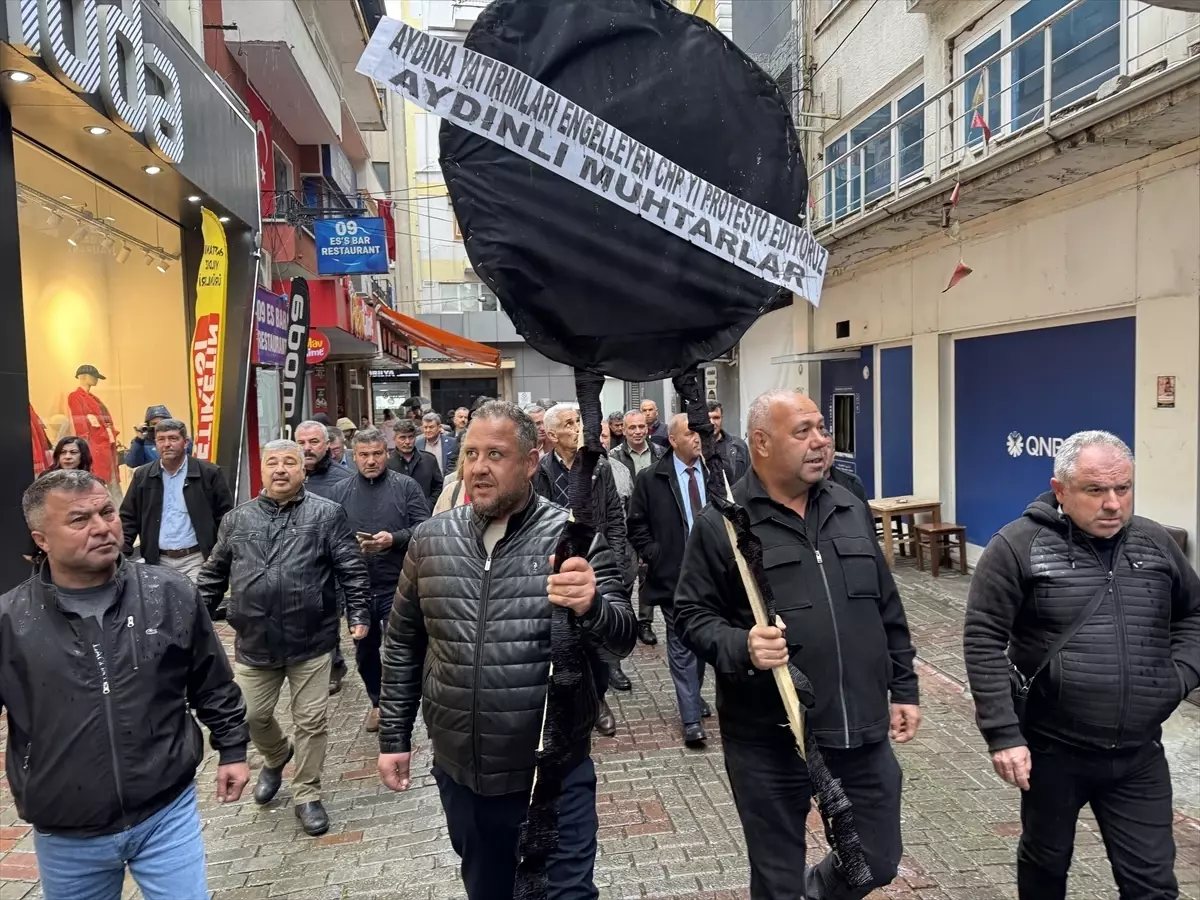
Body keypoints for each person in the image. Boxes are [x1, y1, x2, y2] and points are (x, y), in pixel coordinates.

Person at [376, 401, 636, 899]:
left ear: (531, 462)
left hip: (554, 775)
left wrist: (593, 605)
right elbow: (404, 645)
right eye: (470, 453)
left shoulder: (573, 540)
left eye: (496, 454)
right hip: (465, 776)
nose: (478, 467)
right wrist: (394, 735)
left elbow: (621, 639)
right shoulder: (431, 542)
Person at [674, 389, 919, 899]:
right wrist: (742, 644)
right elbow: (690, 616)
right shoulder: (724, 523)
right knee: (776, 878)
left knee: (875, 860)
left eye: (821, 430)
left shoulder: (849, 507)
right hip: (768, 737)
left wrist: (905, 687)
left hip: (858, 728)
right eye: (802, 431)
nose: (820, 442)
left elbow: (887, 608)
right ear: (761, 443)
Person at [963, 430, 1200, 900]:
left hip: (1138, 754)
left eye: (1123, 488)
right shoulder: (1016, 546)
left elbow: (1193, 615)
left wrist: (1175, 680)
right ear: (1060, 491)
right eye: (1095, 490)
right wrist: (1004, 735)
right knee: (1046, 866)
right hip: (1053, 751)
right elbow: (983, 638)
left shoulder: (1155, 542)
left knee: (1153, 883)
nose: (1113, 503)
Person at [5, 470, 249, 900]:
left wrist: (232, 748)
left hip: (165, 810)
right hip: (67, 831)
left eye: (107, 512)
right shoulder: (11, 622)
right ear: (41, 539)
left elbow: (210, 680)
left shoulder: (169, 593)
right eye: (80, 520)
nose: (102, 527)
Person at [197, 440, 371, 837]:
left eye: (289, 462)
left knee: (311, 720)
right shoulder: (237, 520)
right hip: (254, 641)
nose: (280, 469)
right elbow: (212, 574)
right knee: (250, 715)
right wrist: (195, 618)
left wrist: (358, 612)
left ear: (302, 470)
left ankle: (307, 793)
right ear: (262, 472)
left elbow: (351, 568)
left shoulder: (327, 515)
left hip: (311, 640)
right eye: (272, 463)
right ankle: (276, 755)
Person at [533, 402, 632, 733]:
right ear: (550, 434)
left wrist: (615, 562)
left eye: (578, 421)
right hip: (558, 566)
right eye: (569, 423)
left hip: (597, 563)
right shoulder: (542, 472)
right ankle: (563, 703)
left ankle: (598, 698)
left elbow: (615, 517)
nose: (577, 428)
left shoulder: (599, 466)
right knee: (563, 638)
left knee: (597, 638)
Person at [330, 428, 431, 733]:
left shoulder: (406, 487)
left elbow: (424, 527)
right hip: (358, 588)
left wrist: (394, 539)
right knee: (364, 651)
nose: (371, 461)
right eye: (364, 455)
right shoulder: (340, 491)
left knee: (402, 647)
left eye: (377, 454)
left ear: (386, 454)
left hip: (398, 582)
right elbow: (331, 537)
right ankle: (377, 702)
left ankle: (402, 705)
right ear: (354, 456)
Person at [628, 414, 712, 747]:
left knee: (703, 641)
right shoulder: (652, 479)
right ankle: (691, 719)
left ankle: (693, 697)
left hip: (712, 574)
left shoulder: (713, 472)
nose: (697, 438)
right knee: (680, 645)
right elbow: (636, 525)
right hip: (673, 574)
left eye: (698, 432)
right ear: (672, 440)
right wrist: (655, 553)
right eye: (689, 433)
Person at [119, 418, 233, 583]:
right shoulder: (143, 476)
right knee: (162, 608)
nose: (167, 444)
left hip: (197, 560)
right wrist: (121, 553)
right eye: (161, 439)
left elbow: (226, 519)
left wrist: (220, 558)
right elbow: (128, 518)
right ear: (155, 443)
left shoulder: (209, 473)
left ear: (185, 442)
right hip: (157, 562)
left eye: (173, 438)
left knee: (195, 606)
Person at [294, 420, 354, 694]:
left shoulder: (343, 480)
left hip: (330, 563)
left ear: (327, 444)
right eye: (302, 442)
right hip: (294, 562)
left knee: (327, 616)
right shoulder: (287, 476)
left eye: (313, 442)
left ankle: (332, 665)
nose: (307, 448)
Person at [610, 410, 666, 645]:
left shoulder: (660, 453)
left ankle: (645, 622)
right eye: (632, 427)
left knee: (647, 574)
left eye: (641, 426)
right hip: (624, 525)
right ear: (623, 429)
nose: (637, 431)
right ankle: (624, 620)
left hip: (652, 524)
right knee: (626, 575)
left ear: (648, 428)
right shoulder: (613, 457)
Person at [388, 418, 445, 507]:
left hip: (424, 513)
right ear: (394, 439)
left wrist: (428, 505)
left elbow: (438, 487)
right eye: (402, 438)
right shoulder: (387, 462)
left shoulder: (429, 460)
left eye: (410, 437)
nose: (407, 442)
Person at [123, 404, 190, 468]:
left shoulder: (181, 439)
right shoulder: (142, 442)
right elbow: (131, 463)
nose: (158, 427)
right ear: (148, 425)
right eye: (154, 424)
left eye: (162, 423)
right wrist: (139, 440)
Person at [708, 400, 750, 484]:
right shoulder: (695, 447)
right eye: (708, 418)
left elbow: (750, 478)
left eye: (716, 418)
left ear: (721, 418)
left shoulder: (739, 445)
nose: (712, 422)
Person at [823, 443, 869, 507]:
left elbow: (865, 516)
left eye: (827, 446)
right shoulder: (805, 489)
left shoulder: (853, 483)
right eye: (818, 447)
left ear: (833, 454)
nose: (822, 452)